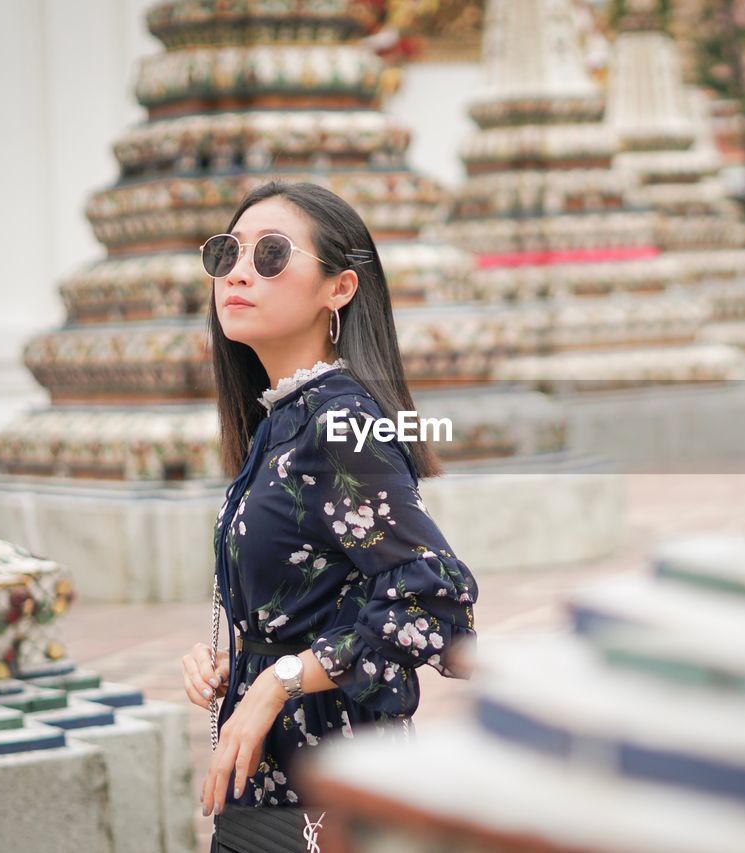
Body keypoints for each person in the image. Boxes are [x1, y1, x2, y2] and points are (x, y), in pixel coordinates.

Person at [179, 180, 479, 842]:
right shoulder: (284, 420)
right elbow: (323, 600)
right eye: (228, 253)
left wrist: (276, 683)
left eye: (272, 254)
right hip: (272, 789)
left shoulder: (340, 424)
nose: (239, 272)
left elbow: (432, 600)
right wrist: (246, 658)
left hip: (331, 795)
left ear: (338, 288)